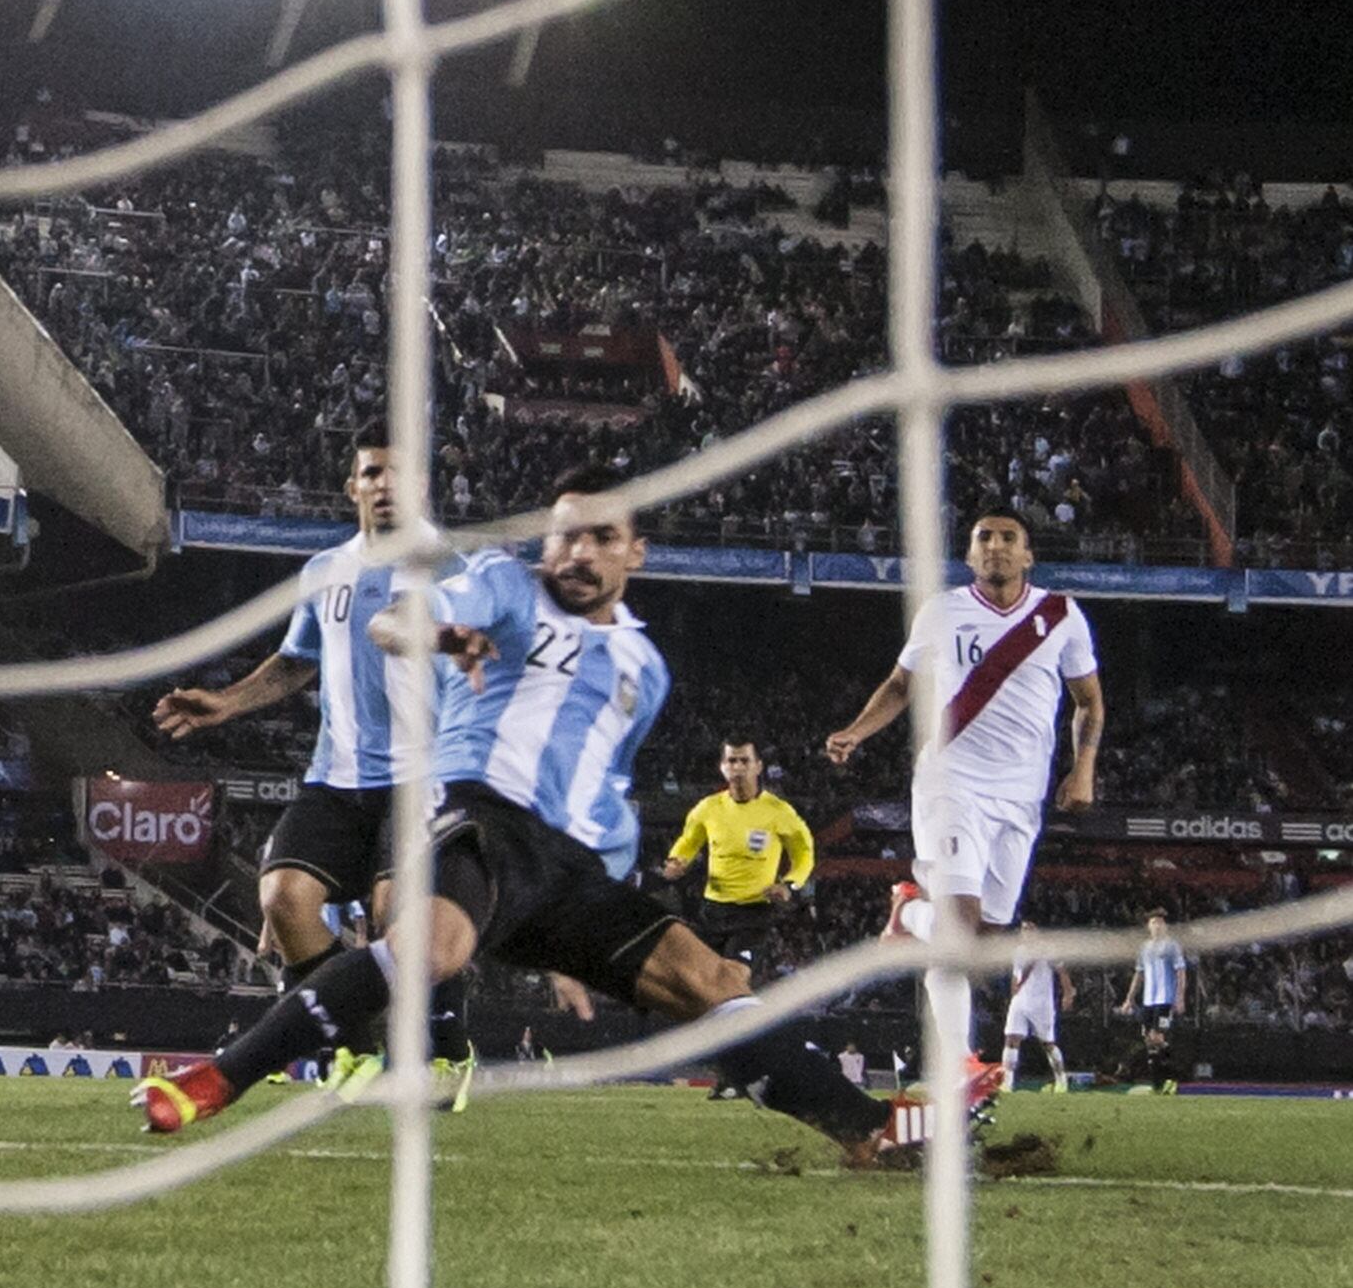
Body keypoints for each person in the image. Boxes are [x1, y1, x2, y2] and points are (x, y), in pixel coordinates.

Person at [137, 467, 918, 1169]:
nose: (579, 553)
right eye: (566, 536)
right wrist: (441, 635)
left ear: (634, 554)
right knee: (430, 948)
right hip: (472, 815)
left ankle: (868, 1130)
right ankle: (220, 1078)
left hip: (565, 873)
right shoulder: (502, 588)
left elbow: (602, 797)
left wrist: (564, 946)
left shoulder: (646, 670)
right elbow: (393, 622)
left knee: (713, 984)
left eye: (601, 538)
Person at [150, 424, 476, 1104]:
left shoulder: (453, 569)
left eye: (399, 474)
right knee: (284, 899)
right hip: (337, 776)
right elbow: (296, 664)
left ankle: (447, 1052)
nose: (385, 486)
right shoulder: (324, 571)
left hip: (423, 779)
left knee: (400, 914)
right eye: (372, 473)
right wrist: (226, 703)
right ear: (352, 486)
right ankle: (352, 1047)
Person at [824, 509, 1102, 1104]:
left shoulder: (1061, 617)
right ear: (970, 554)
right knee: (958, 930)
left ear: (1028, 556)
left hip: (1021, 797)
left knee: (985, 942)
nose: (996, 547)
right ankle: (958, 1063)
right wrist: (856, 731)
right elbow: (901, 686)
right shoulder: (942, 611)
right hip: (952, 782)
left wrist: (1083, 769)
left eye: (1009, 539)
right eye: (984, 539)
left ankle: (908, 915)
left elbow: (1089, 702)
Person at [658, 739, 813, 983]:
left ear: (758, 766)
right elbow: (688, 841)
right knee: (698, 982)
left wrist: (789, 885)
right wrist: (676, 861)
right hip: (713, 910)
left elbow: (804, 854)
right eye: (732, 760)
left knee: (734, 976)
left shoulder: (779, 811)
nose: (738, 767)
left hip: (754, 912)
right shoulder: (708, 808)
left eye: (745, 760)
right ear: (722, 766)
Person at [1119, 911, 1188, 1085]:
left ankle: (1176, 1071)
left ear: (1165, 926)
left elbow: (1181, 972)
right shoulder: (1144, 948)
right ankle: (1158, 1079)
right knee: (1149, 1040)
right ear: (1148, 926)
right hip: (1148, 1000)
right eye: (1153, 922)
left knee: (1157, 1037)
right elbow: (1139, 973)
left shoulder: (1172, 946)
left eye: (1160, 922)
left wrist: (1180, 997)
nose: (1157, 926)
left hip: (1165, 999)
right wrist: (1129, 998)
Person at [1001, 954, 1070, 1092]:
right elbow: (1016, 975)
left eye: (1030, 930)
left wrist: (1067, 993)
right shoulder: (1019, 951)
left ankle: (1061, 1080)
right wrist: (1014, 995)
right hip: (1020, 1001)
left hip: (1041, 1004)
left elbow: (1062, 971)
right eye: (1024, 930)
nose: (1027, 932)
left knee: (1048, 1044)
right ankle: (1007, 1084)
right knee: (1011, 1039)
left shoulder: (1047, 950)